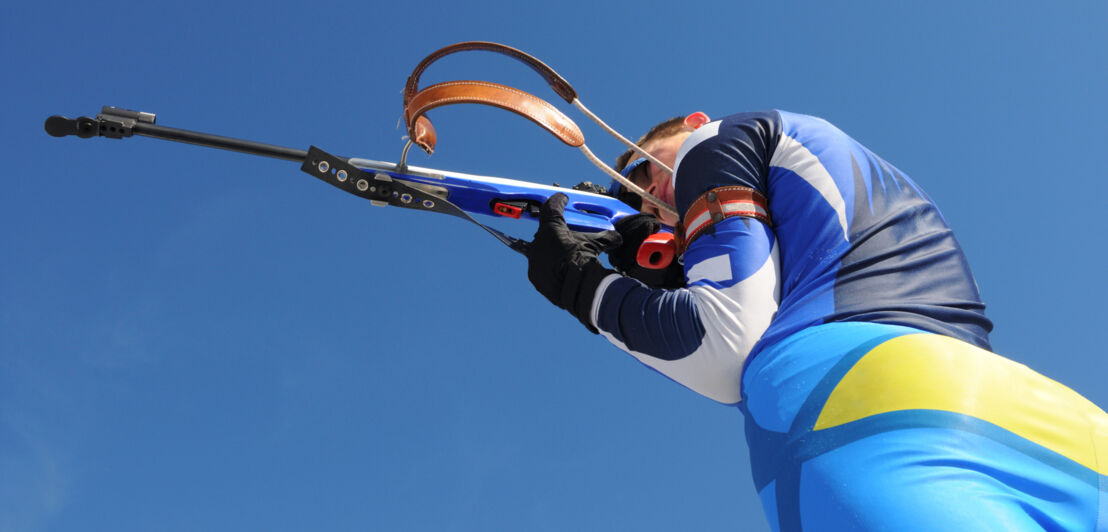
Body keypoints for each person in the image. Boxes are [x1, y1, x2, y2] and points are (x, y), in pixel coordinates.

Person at [526, 110, 1108, 531]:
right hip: (1049, 426)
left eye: (640, 173)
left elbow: (723, 347)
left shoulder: (710, 143)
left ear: (691, 121)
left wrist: (581, 285)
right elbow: (801, 276)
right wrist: (680, 267)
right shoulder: (829, 155)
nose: (645, 198)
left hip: (861, 418)